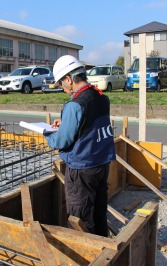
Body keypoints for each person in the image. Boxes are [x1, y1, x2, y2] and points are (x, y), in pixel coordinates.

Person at [44, 55, 116, 236]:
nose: (62, 89)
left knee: (81, 218)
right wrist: (67, 122)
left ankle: (87, 257)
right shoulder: (101, 98)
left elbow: (61, 141)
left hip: (82, 169)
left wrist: (47, 133)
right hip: (101, 164)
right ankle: (103, 248)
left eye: (61, 84)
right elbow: (88, 125)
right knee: (99, 212)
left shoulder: (75, 105)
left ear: (68, 79)